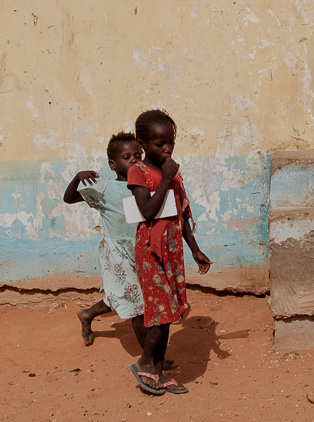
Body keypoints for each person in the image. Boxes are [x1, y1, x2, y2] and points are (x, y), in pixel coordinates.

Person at [125, 108, 212, 396]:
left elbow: (181, 214)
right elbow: (147, 211)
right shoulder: (138, 171)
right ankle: (146, 363)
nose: (167, 149)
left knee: (171, 311)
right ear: (142, 144)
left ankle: (158, 371)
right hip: (151, 250)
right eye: (159, 144)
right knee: (161, 312)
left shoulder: (172, 173)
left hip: (173, 249)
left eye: (170, 143)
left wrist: (195, 249)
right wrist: (165, 179)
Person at [63, 132, 144, 348]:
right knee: (136, 304)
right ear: (113, 164)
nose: (134, 160)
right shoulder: (105, 188)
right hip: (117, 252)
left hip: (142, 250)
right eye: (127, 157)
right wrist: (76, 178)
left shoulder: (147, 185)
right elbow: (69, 198)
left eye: (138, 155)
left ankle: (87, 314)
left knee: (121, 296)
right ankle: (151, 359)